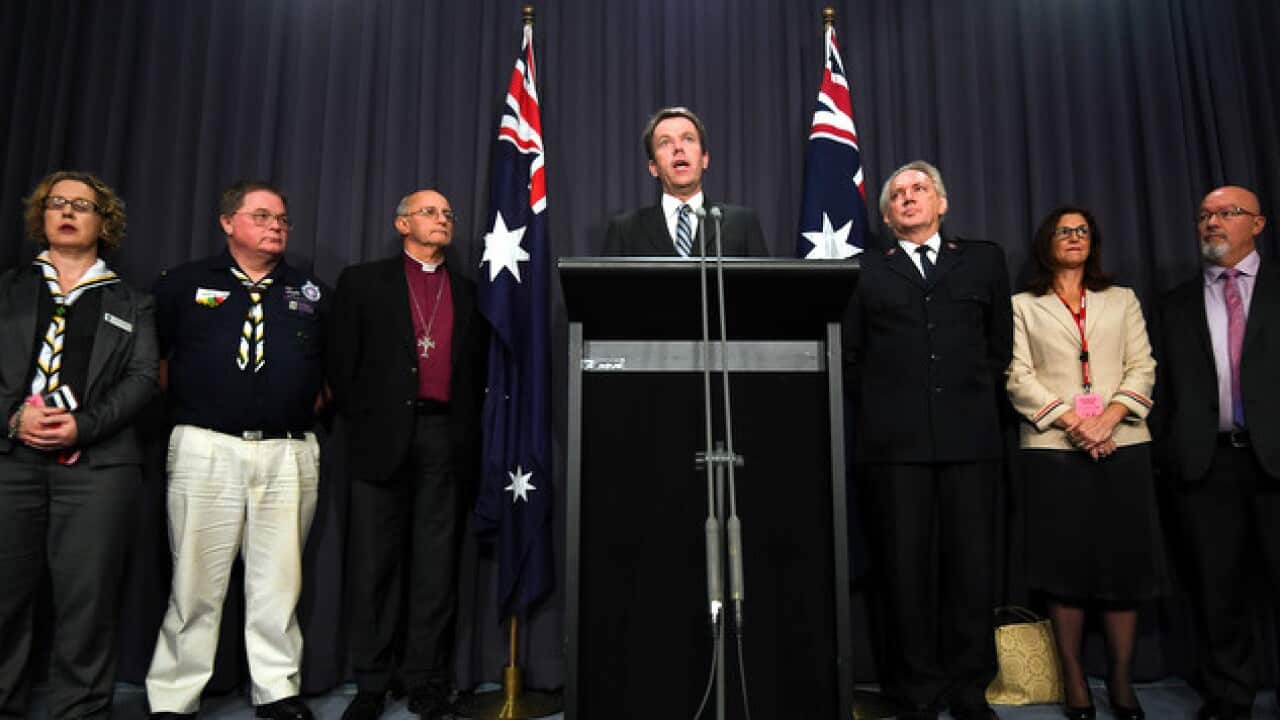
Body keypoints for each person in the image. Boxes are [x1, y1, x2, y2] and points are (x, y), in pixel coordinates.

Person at [146, 181, 330, 720]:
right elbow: (152, 361)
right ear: (228, 222)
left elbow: (331, 373)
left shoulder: (311, 293)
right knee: (195, 582)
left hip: (288, 452)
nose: (277, 226)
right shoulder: (183, 285)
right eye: (262, 215)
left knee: (279, 582)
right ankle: (175, 698)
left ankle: (277, 691)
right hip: (206, 446)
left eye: (282, 218)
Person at [845, 160, 1012, 720]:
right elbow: (851, 356)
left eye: (920, 190)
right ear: (888, 215)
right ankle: (914, 691)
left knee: (971, 572)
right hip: (894, 450)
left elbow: (999, 345)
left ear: (942, 203)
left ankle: (969, 689)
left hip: (971, 442)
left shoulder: (983, 259)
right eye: (898, 194)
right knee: (903, 573)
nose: (909, 198)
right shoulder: (865, 269)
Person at [0, 170, 159, 719]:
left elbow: (142, 379)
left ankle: (80, 711)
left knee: (86, 604)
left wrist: (83, 426)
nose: (68, 212)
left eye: (83, 205)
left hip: (98, 469)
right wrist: (13, 418)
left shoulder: (132, 302)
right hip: (10, 463)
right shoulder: (8, 289)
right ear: (41, 216)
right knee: (5, 596)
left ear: (103, 221)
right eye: (57, 203)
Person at [327, 189, 486, 720]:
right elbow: (341, 363)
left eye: (447, 214)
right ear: (402, 224)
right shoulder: (362, 281)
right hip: (380, 438)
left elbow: (476, 372)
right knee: (375, 563)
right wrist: (366, 419)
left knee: (436, 568)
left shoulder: (466, 290)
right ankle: (372, 681)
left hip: (445, 438)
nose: (442, 220)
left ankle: (426, 680)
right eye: (429, 212)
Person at [1006, 206, 1166, 720]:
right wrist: (1076, 423)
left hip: (1124, 445)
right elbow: (1017, 376)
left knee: (1125, 569)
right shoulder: (1022, 306)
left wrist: (1110, 418)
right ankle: (1074, 680)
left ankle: (1120, 681)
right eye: (1062, 231)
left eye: (1081, 231)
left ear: (1092, 241)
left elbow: (1143, 365)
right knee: (1065, 569)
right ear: (1045, 242)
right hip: (1055, 451)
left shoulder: (1122, 300)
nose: (1073, 238)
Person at [1153, 185, 1279, 720]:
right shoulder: (1174, 303)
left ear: (1258, 223)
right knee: (1217, 588)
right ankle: (1230, 693)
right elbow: (1164, 391)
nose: (1212, 223)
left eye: (1227, 213)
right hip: (1207, 464)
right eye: (1205, 214)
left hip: (1275, 461)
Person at [601, 106, 769, 257]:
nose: (678, 148)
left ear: (705, 159)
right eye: (665, 142)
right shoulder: (625, 230)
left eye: (688, 139)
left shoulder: (742, 223)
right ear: (653, 167)